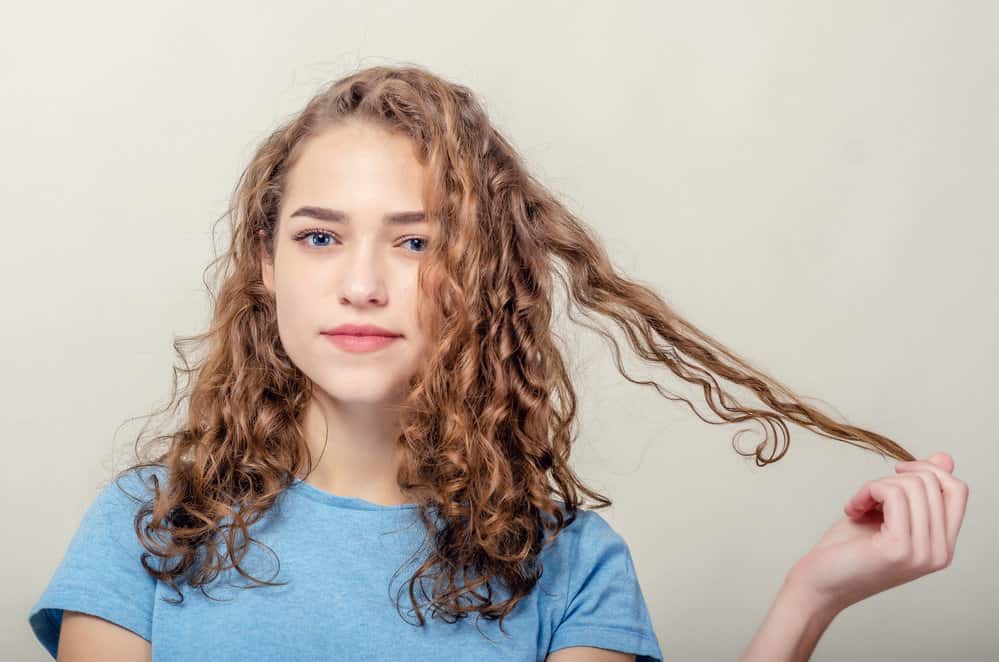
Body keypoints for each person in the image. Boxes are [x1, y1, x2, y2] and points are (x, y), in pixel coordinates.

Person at [28, 64, 968, 662]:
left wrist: (812, 597)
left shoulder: (573, 572)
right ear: (265, 268)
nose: (362, 284)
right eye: (319, 237)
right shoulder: (146, 532)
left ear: (480, 277)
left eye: (415, 243)